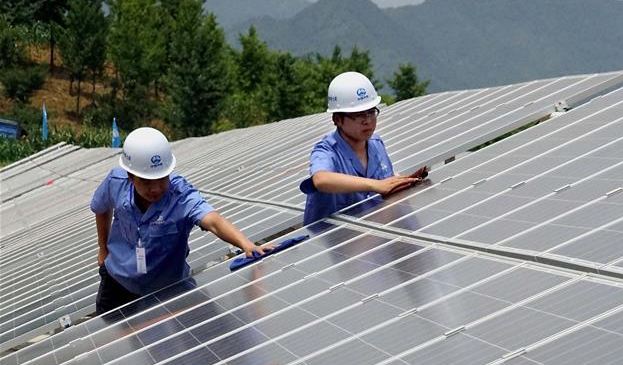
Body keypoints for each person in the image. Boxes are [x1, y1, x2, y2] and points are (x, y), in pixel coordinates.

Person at [91, 127, 270, 313]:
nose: (156, 188)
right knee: (111, 337)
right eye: (146, 181)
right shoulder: (116, 182)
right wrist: (102, 247)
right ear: (130, 176)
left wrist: (246, 244)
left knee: (164, 340)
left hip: (165, 291)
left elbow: (213, 221)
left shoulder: (181, 195)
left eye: (162, 179)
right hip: (117, 282)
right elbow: (101, 208)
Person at [300, 71, 427, 226]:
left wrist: (399, 183)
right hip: (330, 244)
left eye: (371, 112)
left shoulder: (376, 144)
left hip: (371, 236)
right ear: (337, 119)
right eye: (358, 115)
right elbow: (321, 180)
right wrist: (375, 185)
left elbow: (386, 184)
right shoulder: (327, 150)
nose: (368, 121)